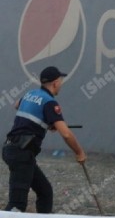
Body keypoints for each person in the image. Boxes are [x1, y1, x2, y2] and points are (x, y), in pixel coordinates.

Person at [2, 66, 86, 213]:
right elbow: (66, 134)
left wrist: (43, 121)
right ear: (54, 83)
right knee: (16, 206)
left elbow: (17, 105)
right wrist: (79, 152)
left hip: (13, 149)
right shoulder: (50, 103)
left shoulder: (30, 94)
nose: (61, 84)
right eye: (60, 81)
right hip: (22, 153)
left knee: (45, 192)